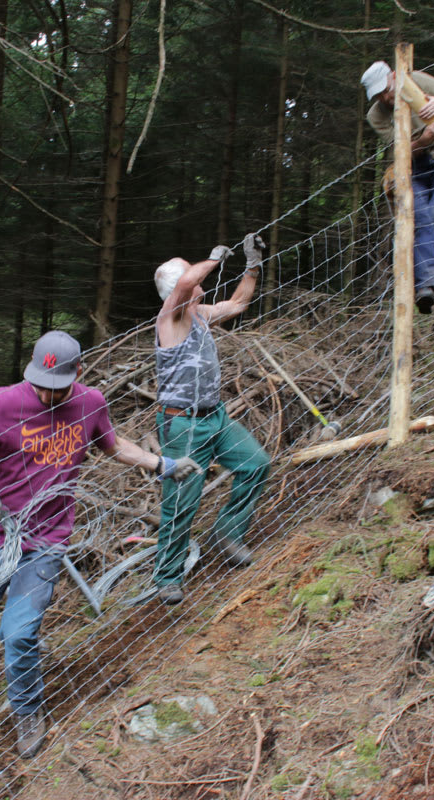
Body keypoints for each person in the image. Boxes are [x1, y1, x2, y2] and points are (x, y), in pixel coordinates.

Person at [0, 330, 200, 775]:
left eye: (55, 387)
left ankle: (27, 713)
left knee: (18, 634)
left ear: (77, 374)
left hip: (47, 542)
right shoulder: (3, 402)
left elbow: (114, 446)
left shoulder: (90, 403)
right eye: (40, 384)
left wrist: (161, 464)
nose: (46, 393)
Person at [150, 234, 272, 605]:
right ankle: (167, 577)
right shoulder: (170, 317)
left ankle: (228, 532)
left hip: (214, 416)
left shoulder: (200, 315)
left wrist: (252, 266)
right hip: (182, 424)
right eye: (190, 274)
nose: (197, 278)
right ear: (179, 288)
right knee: (181, 502)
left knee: (255, 464)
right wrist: (216, 256)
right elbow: (188, 280)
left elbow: (238, 303)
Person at [361, 59, 434, 313]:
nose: (385, 98)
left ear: (393, 77)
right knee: (420, 219)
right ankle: (426, 288)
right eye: (378, 95)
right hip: (413, 166)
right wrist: (423, 140)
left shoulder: (416, 81)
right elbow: (401, 151)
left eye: (386, 90)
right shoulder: (376, 115)